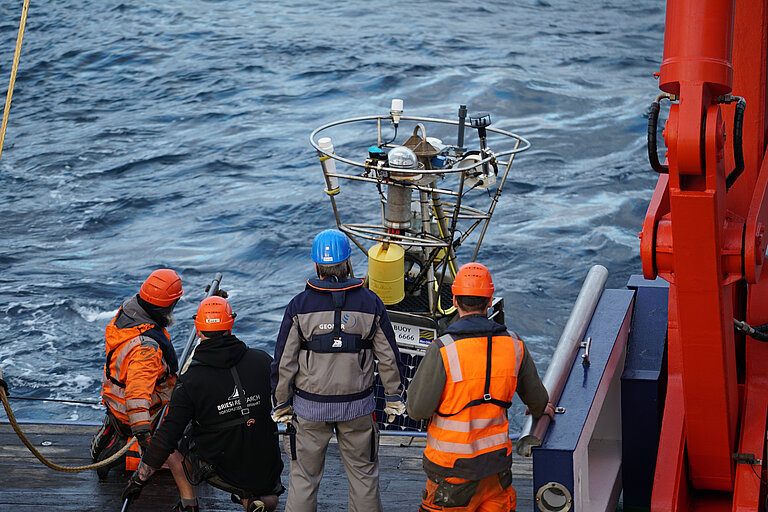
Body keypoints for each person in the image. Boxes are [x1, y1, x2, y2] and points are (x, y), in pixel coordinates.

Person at [271, 229, 406, 512]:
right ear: (347, 262)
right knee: (364, 477)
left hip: (309, 408)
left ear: (316, 264)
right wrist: (394, 397)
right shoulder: (371, 303)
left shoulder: (298, 306)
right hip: (358, 407)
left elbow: (285, 361)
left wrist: (281, 404)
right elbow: (388, 357)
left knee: (304, 479)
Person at [406, 262, 555, 512]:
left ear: (454, 300)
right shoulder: (515, 345)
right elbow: (538, 401)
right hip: (496, 469)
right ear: (489, 302)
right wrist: (541, 409)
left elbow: (417, 410)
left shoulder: (443, 349)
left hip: (452, 472)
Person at [121, 296, 284, 512]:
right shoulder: (262, 360)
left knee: (173, 441)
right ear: (231, 324)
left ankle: (189, 504)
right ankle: (255, 501)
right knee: (268, 493)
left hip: (221, 467)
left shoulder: (191, 380)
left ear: (198, 330)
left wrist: (140, 479)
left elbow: (166, 438)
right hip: (265, 464)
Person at [91, 268, 183, 479]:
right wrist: (144, 436)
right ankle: (130, 453)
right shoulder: (146, 349)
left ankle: (114, 433)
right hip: (144, 413)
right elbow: (137, 395)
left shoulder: (128, 315)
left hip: (117, 407)